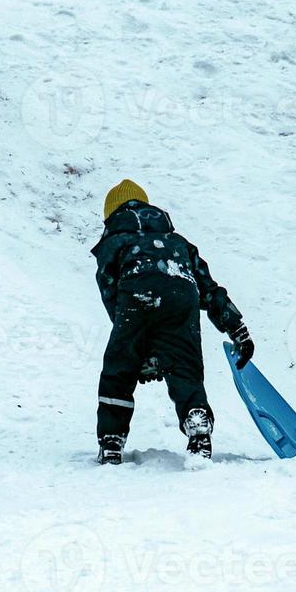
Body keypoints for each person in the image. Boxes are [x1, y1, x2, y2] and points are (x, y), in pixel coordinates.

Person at [91, 179, 254, 465]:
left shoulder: (114, 241)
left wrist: (136, 347)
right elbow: (208, 288)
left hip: (137, 291)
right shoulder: (178, 243)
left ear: (112, 215)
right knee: (184, 367)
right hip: (182, 292)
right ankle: (197, 423)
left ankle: (112, 441)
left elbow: (112, 296)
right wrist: (236, 327)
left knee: (118, 369)